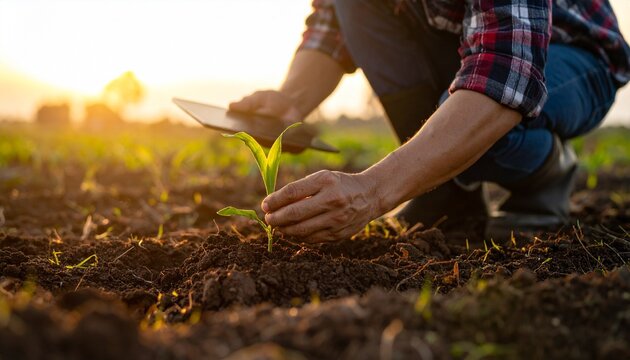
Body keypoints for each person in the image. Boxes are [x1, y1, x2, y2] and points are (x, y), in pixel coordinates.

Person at [229, 0, 630, 242]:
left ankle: (548, 172)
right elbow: (331, 24)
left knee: (476, 127)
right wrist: (291, 100)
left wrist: (374, 190)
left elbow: (508, 74)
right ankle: (445, 192)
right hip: (468, 46)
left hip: (574, 55)